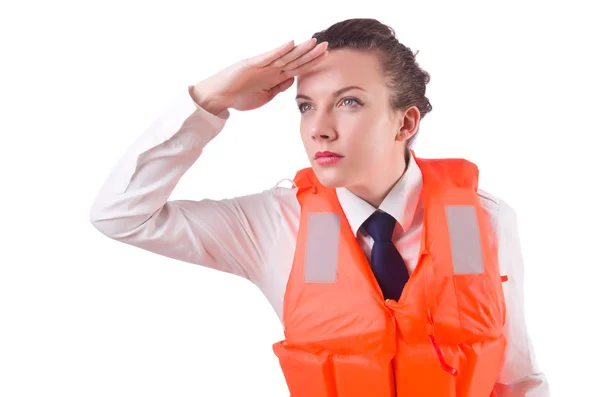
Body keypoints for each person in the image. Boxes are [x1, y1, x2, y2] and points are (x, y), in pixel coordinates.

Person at [90, 18, 550, 397]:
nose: (319, 129)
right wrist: (211, 100)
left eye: (349, 102)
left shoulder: (480, 219)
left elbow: (516, 375)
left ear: (406, 121)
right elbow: (121, 215)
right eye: (306, 106)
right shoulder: (273, 225)